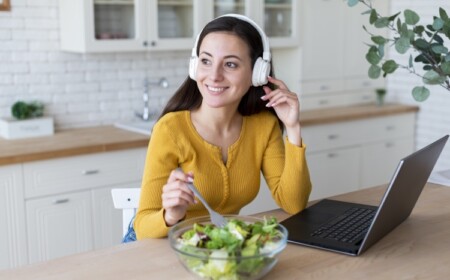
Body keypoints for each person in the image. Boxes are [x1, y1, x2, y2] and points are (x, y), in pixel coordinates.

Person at [134, 14, 312, 239]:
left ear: (257, 73)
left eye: (230, 64)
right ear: (194, 65)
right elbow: (142, 227)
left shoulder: (263, 126)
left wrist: (293, 128)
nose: (214, 76)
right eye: (206, 61)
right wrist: (171, 215)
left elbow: (294, 203)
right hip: (167, 246)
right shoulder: (170, 130)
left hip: (219, 247)